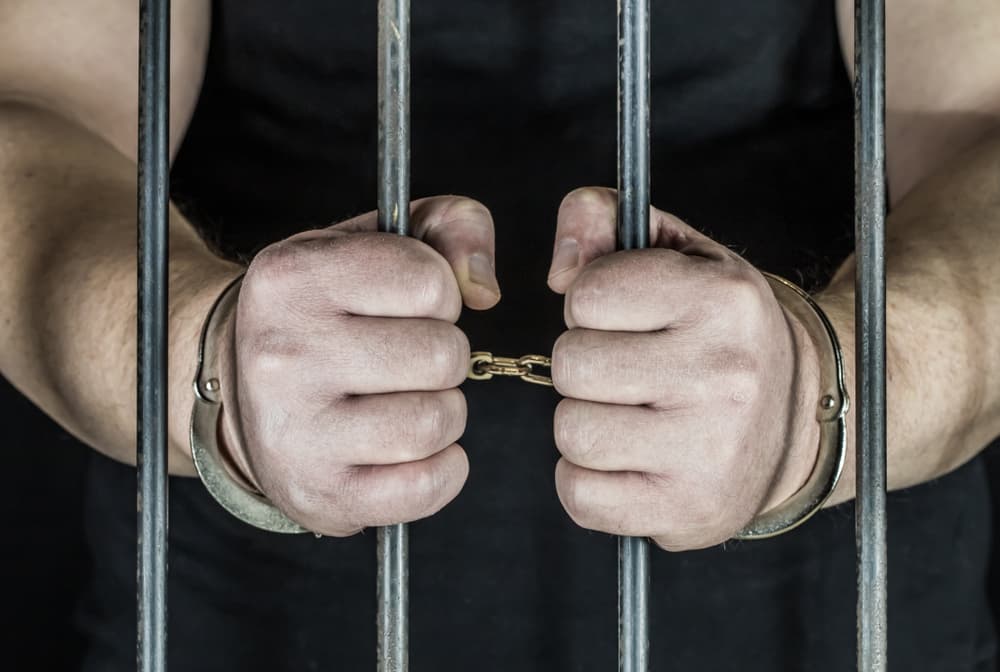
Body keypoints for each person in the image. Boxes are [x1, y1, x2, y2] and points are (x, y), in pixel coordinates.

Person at [1, 1, 998, 669]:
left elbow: (981, 127)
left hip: (825, 611)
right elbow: (37, 110)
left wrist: (830, 396)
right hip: (247, 612)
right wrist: (196, 363)